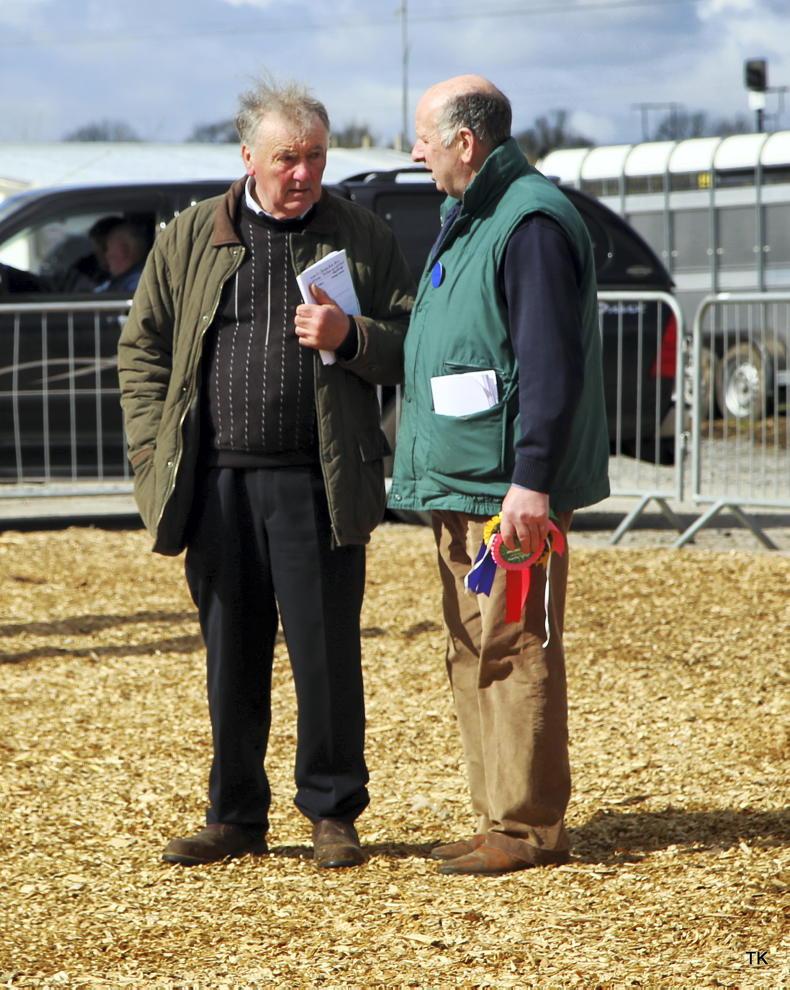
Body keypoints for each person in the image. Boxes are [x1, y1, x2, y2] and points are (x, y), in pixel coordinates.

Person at [118, 77, 414, 869]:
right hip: (216, 484)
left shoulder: (359, 234)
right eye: (288, 158)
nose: (304, 173)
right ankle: (235, 815)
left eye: (316, 156)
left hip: (319, 483)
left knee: (326, 656)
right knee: (231, 656)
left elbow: (410, 338)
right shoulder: (193, 235)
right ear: (248, 156)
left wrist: (352, 336)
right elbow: (143, 347)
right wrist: (149, 450)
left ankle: (333, 811)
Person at [389, 75, 610, 876]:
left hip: (506, 494)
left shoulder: (529, 222)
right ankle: (496, 815)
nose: (416, 152)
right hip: (464, 485)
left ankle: (527, 826)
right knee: (473, 648)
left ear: (465, 141)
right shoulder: (476, 216)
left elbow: (548, 364)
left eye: (424, 137)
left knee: (515, 645)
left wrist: (532, 481)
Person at [95, 219, 149, 293]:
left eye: (108, 248)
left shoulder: (135, 283)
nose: (107, 255)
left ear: (124, 250)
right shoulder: (124, 280)